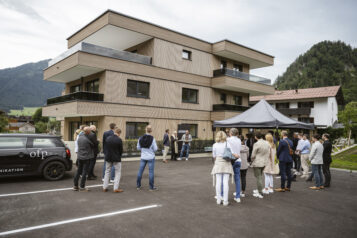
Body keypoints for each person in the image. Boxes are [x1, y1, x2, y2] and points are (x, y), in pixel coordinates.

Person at [211, 131, 234, 206]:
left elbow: (214, 156)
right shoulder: (228, 144)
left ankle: (218, 200)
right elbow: (231, 153)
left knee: (218, 182)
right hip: (226, 163)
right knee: (225, 182)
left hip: (218, 163)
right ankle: (225, 201)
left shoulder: (214, 145)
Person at [136, 125, 158, 191]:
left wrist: (143, 150)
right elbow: (155, 149)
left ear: (145, 129)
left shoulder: (140, 138)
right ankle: (151, 187)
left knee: (140, 171)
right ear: (151, 130)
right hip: (151, 157)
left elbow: (138, 148)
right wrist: (151, 151)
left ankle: (138, 186)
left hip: (143, 157)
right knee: (151, 172)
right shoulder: (152, 139)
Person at [103, 128, 123, 193]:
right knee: (118, 172)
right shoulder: (119, 140)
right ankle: (115, 188)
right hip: (116, 158)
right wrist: (119, 156)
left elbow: (105, 148)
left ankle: (105, 187)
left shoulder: (108, 138)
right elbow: (121, 150)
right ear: (119, 133)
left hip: (108, 157)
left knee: (107, 172)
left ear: (114, 132)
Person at [251, 132, 270, 198]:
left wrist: (251, 160)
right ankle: (259, 189)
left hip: (257, 162)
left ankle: (260, 192)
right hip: (264, 162)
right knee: (260, 176)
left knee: (258, 177)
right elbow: (268, 152)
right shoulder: (267, 143)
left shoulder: (256, 144)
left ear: (256, 137)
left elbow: (253, 155)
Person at [73, 127, 93, 191]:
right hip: (86, 157)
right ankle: (82, 186)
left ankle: (75, 186)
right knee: (84, 172)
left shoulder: (79, 137)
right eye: (90, 131)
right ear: (87, 132)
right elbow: (92, 145)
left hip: (79, 156)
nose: (90, 132)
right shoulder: (86, 139)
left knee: (78, 171)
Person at [227, 128, 241, 203]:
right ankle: (238, 196)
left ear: (231, 133)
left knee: (226, 178)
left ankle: (223, 195)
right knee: (237, 179)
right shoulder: (239, 140)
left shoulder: (228, 140)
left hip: (231, 160)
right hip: (238, 160)